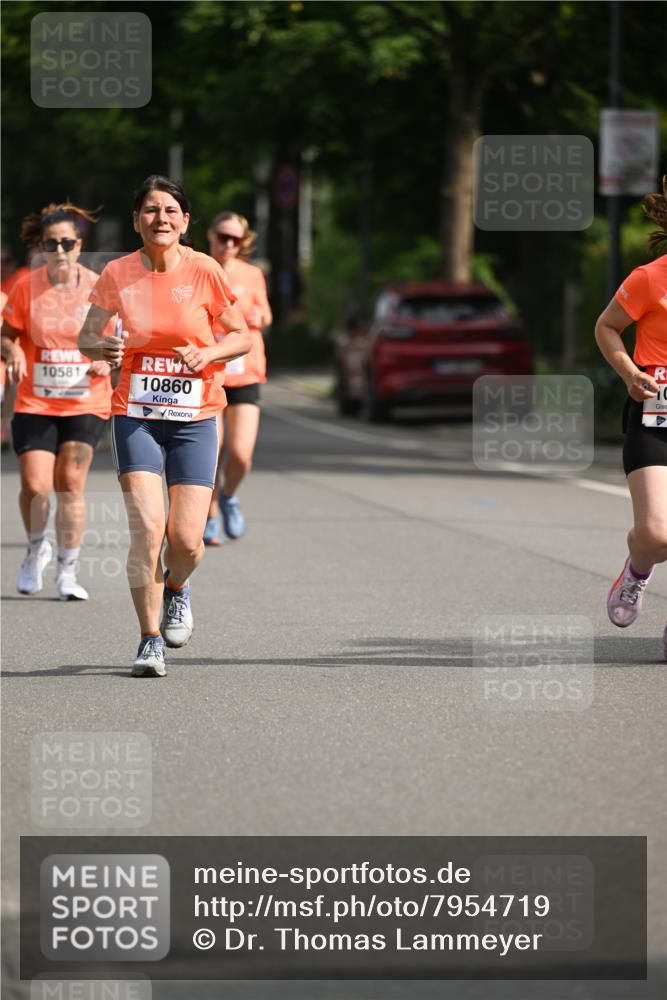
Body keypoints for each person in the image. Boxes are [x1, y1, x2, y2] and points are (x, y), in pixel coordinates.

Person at [78, 175, 251, 678]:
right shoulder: (116, 272)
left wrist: (209, 351)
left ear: (186, 221)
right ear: (136, 221)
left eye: (171, 211)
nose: (161, 219)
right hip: (135, 414)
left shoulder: (205, 270)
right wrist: (102, 347)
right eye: (151, 211)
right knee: (148, 529)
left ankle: (177, 588)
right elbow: (87, 335)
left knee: (187, 541)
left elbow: (240, 336)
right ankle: (148, 639)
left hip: (196, 418)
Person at [1, 203, 112, 600]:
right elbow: (7, 334)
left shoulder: (98, 287)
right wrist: (11, 351)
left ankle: (68, 571)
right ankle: (36, 549)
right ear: (41, 247)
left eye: (68, 242)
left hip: (86, 401)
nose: (61, 250)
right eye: (52, 243)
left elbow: (117, 342)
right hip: (35, 401)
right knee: (35, 486)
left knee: (70, 482)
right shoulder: (24, 286)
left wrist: (106, 362)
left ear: (79, 245)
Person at [595, 177, 667, 660]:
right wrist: (629, 373)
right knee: (656, 533)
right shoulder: (649, 278)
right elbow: (607, 327)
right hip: (655, 414)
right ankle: (637, 571)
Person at [203, 211, 272, 545]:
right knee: (211, 450)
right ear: (210, 235)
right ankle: (210, 511)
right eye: (222, 236)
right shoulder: (198, 269)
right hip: (207, 371)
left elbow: (266, 314)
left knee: (241, 454)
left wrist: (261, 316)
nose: (228, 244)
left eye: (236, 239)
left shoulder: (253, 274)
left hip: (245, 371)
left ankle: (229, 495)